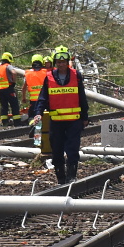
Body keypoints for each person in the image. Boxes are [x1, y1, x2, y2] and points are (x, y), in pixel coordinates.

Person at [41, 46, 89, 184]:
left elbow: (82, 96)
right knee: (56, 150)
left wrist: (85, 116)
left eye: (63, 62)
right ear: (55, 62)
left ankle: (71, 177)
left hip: (74, 120)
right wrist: (37, 113)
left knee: (73, 149)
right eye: (58, 62)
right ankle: (61, 178)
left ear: (68, 61)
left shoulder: (76, 75)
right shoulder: (49, 77)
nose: (61, 64)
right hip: (56, 122)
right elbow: (43, 98)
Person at [22, 54, 50, 123]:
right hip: (45, 100)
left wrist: (23, 98)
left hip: (34, 101)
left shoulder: (27, 74)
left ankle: (33, 129)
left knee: (32, 117)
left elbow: (24, 88)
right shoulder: (46, 72)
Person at [0, 52, 21, 118]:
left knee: (4, 106)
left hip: (0, 89)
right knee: (14, 105)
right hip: (9, 88)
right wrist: (14, 82)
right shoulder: (8, 66)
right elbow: (14, 73)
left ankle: (4, 122)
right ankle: (17, 121)